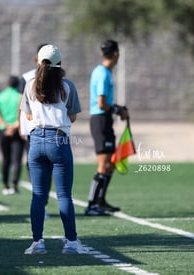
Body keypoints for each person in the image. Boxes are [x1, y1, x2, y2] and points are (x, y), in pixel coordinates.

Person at [21, 44, 88, 254]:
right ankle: (71, 243)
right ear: (60, 63)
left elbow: (28, 115)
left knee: (38, 195)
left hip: (35, 141)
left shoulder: (30, 85)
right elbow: (73, 116)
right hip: (58, 140)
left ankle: (37, 243)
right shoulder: (67, 86)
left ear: (39, 62)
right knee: (64, 195)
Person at [85, 39, 129, 216]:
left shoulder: (103, 71)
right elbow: (101, 103)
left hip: (105, 120)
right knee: (103, 165)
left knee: (110, 164)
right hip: (100, 120)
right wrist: (118, 110)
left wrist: (118, 109)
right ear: (116, 54)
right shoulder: (103, 73)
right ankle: (91, 205)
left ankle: (100, 201)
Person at [19, 43, 52, 219]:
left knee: (50, 166)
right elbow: (21, 105)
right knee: (36, 166)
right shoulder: (26, 78)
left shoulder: (58, 78)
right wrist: (20, 126)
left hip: (53, 132)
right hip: (33, 131)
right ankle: (40, 204)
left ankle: (43, 202)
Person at [0, 76, 25, 195]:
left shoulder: (0, 96)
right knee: (17, 160)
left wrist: (6, 126)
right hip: (17, 130)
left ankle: (5, 185)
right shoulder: (19, 96)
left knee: (6, 159)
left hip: (4, 131)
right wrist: (14, 125)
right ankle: (14, 185)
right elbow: (22, 112)